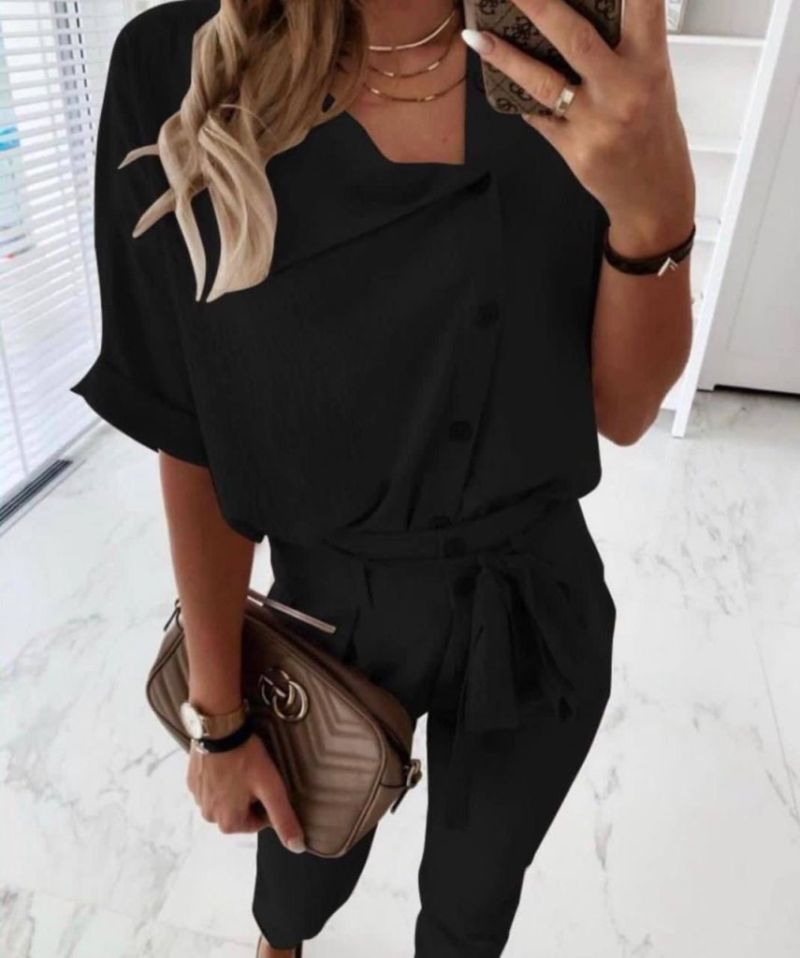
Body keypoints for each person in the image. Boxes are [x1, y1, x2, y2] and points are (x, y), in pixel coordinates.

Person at [69, 0, 695, 955]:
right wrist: (218, 720)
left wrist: (656, 212)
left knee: (472, 907)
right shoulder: (175, 66)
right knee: (295, 880)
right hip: (326, 615)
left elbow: (623, 409)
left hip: (540, 603)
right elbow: (191, 429)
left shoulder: (573, 45)